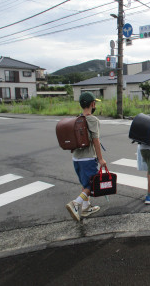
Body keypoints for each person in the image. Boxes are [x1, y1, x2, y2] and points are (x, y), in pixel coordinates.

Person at [66, 92, 107, 222]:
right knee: (92, 184)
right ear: (92, 104)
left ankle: (86, 207)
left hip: (76, 158)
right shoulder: (93, 120)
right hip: (88, 158)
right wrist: (101, 159)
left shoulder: (77, 119)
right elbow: (95, 140)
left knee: (85, 183)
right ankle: (76, 203)